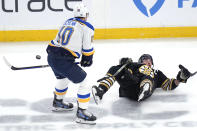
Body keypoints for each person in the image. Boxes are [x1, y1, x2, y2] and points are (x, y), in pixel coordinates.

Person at [46, 3, 96, 124]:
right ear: (85, 15)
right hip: (64, 60)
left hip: (52, 56)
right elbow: (87, 48)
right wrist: (87, 58)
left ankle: (58, 102)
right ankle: (82, 113)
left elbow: (57, 39)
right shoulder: (87, 27)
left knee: (63, 78)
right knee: (85, 82)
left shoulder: (67, 21)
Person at [92, 54, 192, 104]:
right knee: (115, 68)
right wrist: (124, 63)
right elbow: (122, 69)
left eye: (150, 60)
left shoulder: (156, 72)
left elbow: (168, 85)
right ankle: (101, 90)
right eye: (145, 59)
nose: (148, 61)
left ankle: (145, 87)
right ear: (140, 61)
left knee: (148, 74)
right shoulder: (134, 65)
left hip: (142, 91)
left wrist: (179, 79)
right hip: (129, 85)